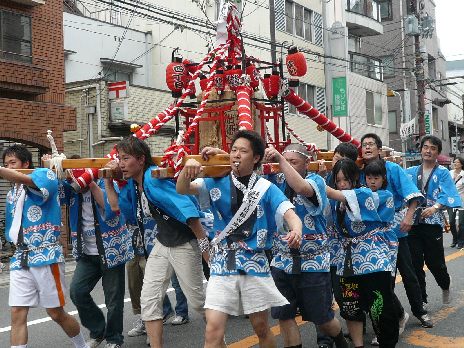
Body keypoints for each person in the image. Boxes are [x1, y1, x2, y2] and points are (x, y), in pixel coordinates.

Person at [177, 130, 302, 348]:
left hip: (254, 261)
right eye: (233, 149)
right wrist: (186, 171)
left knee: (261, 328)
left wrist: (296, 230)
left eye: (243, 151)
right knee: (212, 329)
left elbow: (290, 213)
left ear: (255, 158)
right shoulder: (216, 182)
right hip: (223, 261)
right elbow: (182, 189)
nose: (236, 154)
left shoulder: (266, 188)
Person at [104, 136, 208, 348]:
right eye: (119, 158)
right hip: (162, 243)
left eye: (125, 158)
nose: (121, 163)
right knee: (149, 300)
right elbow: (116, 207)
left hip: (184, 243)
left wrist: (205, 248)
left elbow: (188, 210)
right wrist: (107, 179)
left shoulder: (153, 178)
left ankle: (218, 340)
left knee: (199, 301)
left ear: (141, 159)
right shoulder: (134, 185)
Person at [2, 145, 89, 348]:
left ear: (25, 164)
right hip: (21, 257)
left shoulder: (44, 175)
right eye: (5, 164)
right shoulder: (11, 194)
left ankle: (82, 346)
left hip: (46, 255)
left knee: (55, 312)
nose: (8, 167)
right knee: (17, 312)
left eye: (12, 163)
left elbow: (28, 180)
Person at [264, 143, 348, 348]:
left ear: (307, 163)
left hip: (313, 263)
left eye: (294, 162)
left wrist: (281, 160)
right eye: (287, 161)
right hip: (282, 261)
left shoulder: (316, 180)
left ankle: (341, 343)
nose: (289, 166)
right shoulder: (275, 181)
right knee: (284, 315)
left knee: (323, 319)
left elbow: (301, 188)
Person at [360, 133, 432, 332]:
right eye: (364, 144)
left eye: (371, 144)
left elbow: (413, 195)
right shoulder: (359, 171)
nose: (367, 147)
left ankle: (419, 311)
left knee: (408, 274)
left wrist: (409, 217)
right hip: (371, 235)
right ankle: (391, 318)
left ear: (379, 149)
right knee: (382, 280)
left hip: (396, 230)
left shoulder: (393, 169)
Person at [326, 158, 399, 348]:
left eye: (346, 179)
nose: (342, 184)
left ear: (356, 178)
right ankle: (358, 345)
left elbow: (345, 197)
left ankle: (387, 343)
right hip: (347, 262)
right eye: (338, 180)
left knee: (379, 307)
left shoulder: (370, 195)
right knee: (350, 307)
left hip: (373, 260)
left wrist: (316, 185)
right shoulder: (334, 203)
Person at [58, 168, 133, 348]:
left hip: (111, 250)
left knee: (113, 300)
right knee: (77, 291)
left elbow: (111, 209)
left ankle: (114, 338)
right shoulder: (72, 189)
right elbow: (56, 197)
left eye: (77, 178)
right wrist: (55, 170)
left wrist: (90, 183)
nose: (77, 183)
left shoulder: (105, 183)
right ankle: (98, 330)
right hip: (86, 253)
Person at [405, 135, 462, 306]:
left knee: (435, 263)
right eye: (425, 147)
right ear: (421, 149)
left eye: (433, 148)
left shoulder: (443, 172)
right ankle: (421, 300)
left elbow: (448, 193)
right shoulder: (411, 171)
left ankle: (445, 285)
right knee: (415, 263)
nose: (428, 151)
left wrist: (435, 207)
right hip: (414, 222)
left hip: (432, 222)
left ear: (438, 152)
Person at [448, 157, 464, 248]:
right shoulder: (449, 173)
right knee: (451, 221)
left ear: (461, 164)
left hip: (462, 201)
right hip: (451, 201)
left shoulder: (463, 174)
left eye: (457, 162)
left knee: (461, 223)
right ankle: (455, 238)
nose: (455, 163)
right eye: (454, 162)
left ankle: (461, 241)